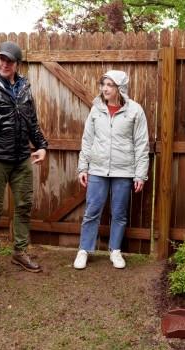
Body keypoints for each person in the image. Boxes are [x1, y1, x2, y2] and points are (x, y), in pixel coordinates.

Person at [0, 41, 48, 277]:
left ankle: (20, 252)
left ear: (17, 64)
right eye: (1, 59)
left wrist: (42, 146)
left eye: (10, 61)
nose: (4, 64)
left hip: (22, 158)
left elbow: (31, 121)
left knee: (24, 206)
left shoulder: (24, 87)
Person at [74, 70, 149, 270]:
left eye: (110, 85)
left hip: (124, 171)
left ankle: (115, 251)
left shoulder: (135, 111)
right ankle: (84, 250)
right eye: (103, 84)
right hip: (97, 169)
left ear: (120, 89)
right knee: (92, 211)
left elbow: (142, 144)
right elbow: (87, 140)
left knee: (119, 213)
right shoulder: (96, 109)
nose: (105, 88)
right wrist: (83, 167)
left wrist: (140, 173)